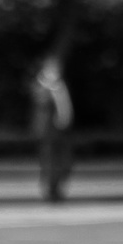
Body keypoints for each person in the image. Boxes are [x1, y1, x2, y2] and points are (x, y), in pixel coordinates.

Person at [31, 57, 74, 203]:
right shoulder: (41, 85)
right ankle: (50, 193)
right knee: (49, 163)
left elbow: (65, 105)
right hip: (47, 131)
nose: (55, 72)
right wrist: (49, 86)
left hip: (61, 130)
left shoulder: (60, 85)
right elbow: (40, 101)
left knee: (64, 163)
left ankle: (57, 189)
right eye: (52, 68)